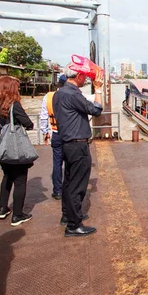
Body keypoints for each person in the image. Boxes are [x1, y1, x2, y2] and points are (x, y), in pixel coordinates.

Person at [53, 66, 104, 237]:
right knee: (77, 185)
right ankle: (74, 225)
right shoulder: (73, 94)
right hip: (77, 145)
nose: (86, 80)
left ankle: (68, 216)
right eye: (85, 77)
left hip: (67, 143)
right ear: (79, 76)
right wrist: (98, 90)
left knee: (69, 182)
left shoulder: (59, 93)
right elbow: (96, 110)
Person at [0, 76, 34, 226]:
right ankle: (18, 215)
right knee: (20, 180)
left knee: (7, 176)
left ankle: (2, 208)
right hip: (13, 147)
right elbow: (28, 123)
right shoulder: (14, 105)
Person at [40, 74, 67, 200]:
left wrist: (45, 132)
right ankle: (69, 189)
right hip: (70, 134)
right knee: (71, 163)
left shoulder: (48, 96)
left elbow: (44, 116)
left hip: (56, 133)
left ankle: (57, 191)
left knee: (57, 163)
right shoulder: (72, 95)